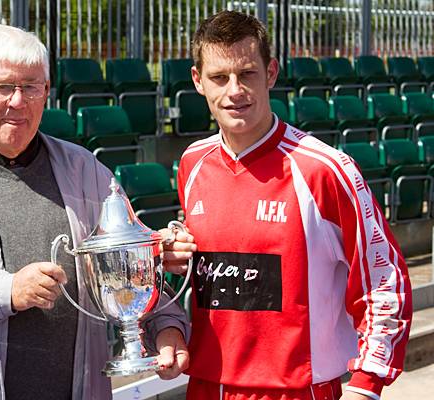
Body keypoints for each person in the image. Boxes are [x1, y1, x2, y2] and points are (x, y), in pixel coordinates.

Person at [0, 24, 189, 400]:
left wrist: (168, 328)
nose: (18, 102)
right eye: (4, 87)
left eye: (31, 87)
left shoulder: (87, 172)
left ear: (46, 91)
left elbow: (129, 271)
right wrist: (6, 291)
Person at [162, 10, 412, 400]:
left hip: (296, 390)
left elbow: (385, 280)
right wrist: (173, 255)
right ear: (197, 81)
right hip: (208, 387)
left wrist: (367, 385)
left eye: (247, 74)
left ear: (272, 73)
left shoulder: (325, 170)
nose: (235, 90)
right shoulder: (193, 164)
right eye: (219, 77)